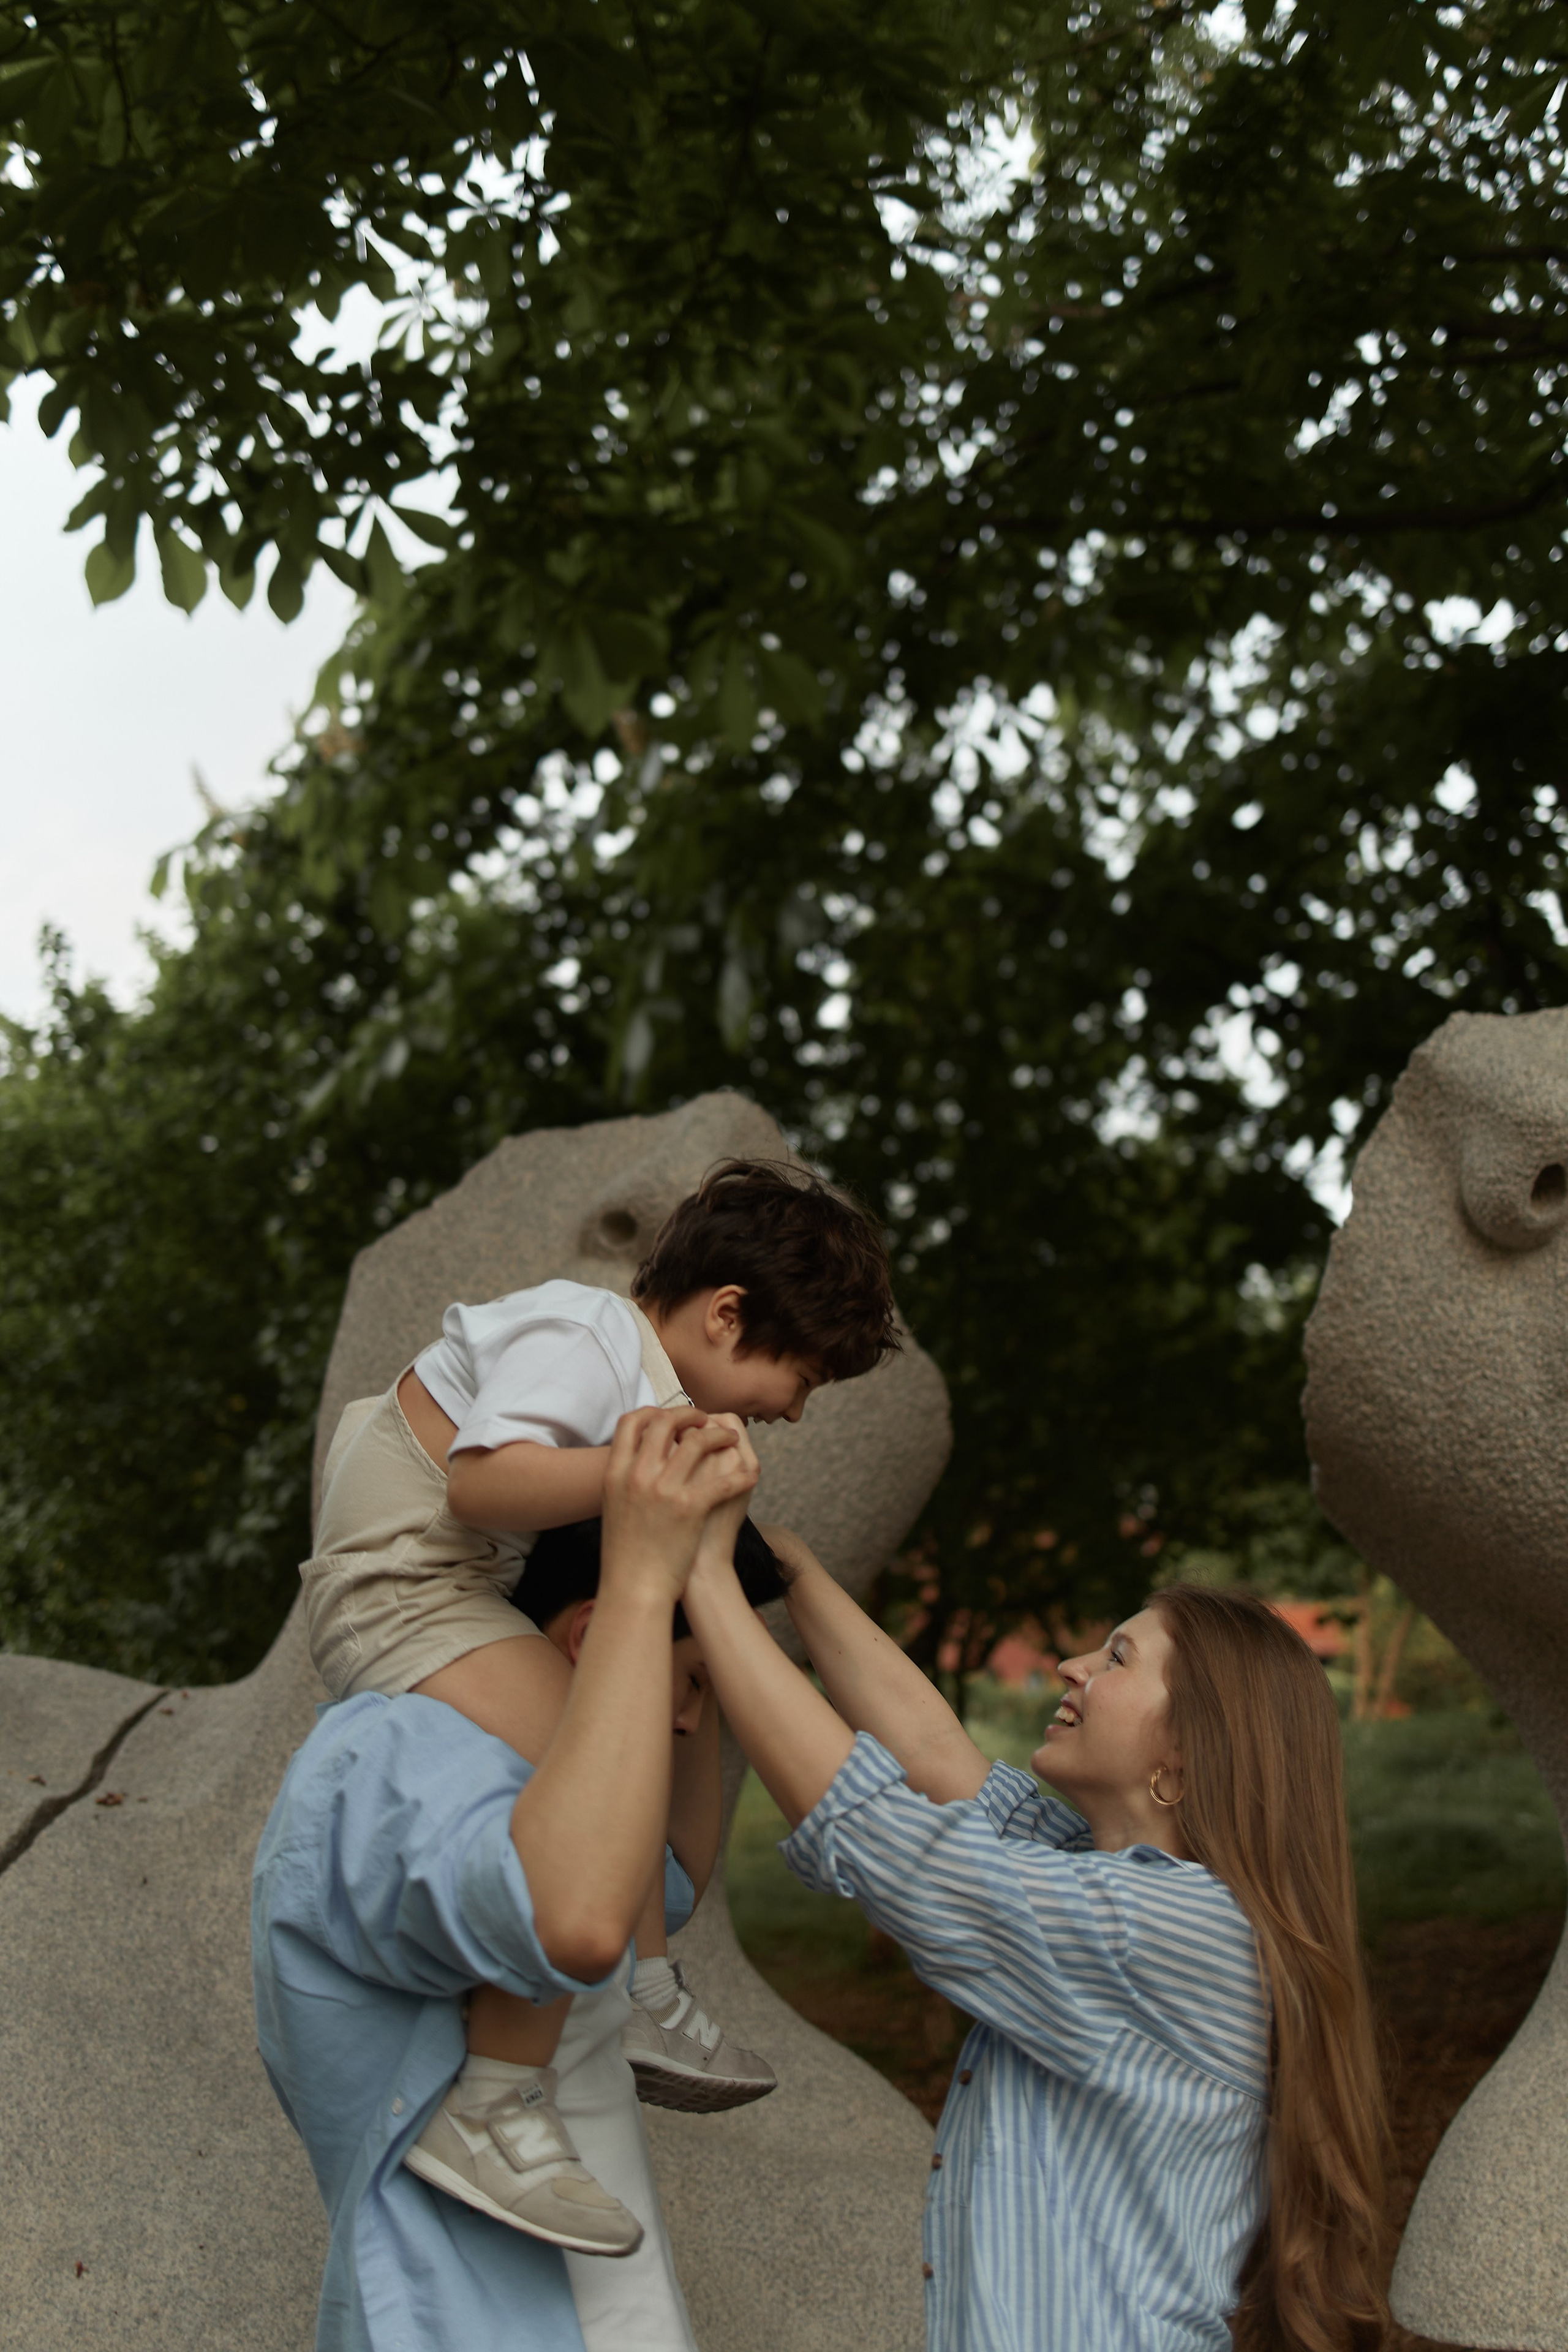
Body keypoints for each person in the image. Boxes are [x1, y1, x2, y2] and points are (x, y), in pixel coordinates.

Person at [298, 1155, 899, 2248]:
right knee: (588, 1779)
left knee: (606, 1767)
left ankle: (641, 1992)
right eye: (802, 1380)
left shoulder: (633, 1373)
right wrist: (644, 1474)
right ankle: (494, 2103)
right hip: (400, 1587)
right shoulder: (586, 1333)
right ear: (728, 1316)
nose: (796, 1416)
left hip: (446, 1590)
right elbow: (485, 1481)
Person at [682, 1449, 1392, 2352]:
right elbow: (935, 1753)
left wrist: (699, 1573)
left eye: (1118, 1657)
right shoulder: (1097, 1877)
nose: (1069, 1664)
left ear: (1185, 1754)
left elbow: (891, 1845)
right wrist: (786, 1566)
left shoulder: (1178, 1930)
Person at [254, 1403, 758, 2352]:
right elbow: (565, 1916)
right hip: (470, 2319)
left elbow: (670, 1872)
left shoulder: (542, 1788)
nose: (692, 1724)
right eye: (687, 1685)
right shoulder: (405, 1755)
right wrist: (649, 1585)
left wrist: (717, 1601)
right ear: (593, 1632)